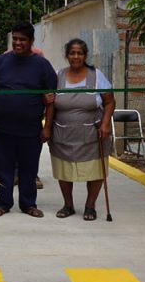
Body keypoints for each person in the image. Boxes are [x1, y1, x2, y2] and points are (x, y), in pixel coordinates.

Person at [0, 22, 57, 218]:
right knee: (3, 169)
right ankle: (3, 203)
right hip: (1, 129)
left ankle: (28, 204)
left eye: (22, 40)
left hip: (31, 130)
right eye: (15, 39)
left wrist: (47, 127)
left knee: (29, 169)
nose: (18, 43)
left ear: (31, 41)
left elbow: (52, 99)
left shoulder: (42, 65)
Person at [46, 38, 115, 221]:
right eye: (72, 53)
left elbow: (109, 101)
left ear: (85, 55)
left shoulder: (96, 75)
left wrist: (106, 123)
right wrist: (46, 128)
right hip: (63, 134)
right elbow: (50, 104)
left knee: (95, 170)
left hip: (92, 134)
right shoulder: (58, 75)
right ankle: (68, 205)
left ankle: (90, 206)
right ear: (67, 55)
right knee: (64, 170)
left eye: (80, 53)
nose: (76, 56)